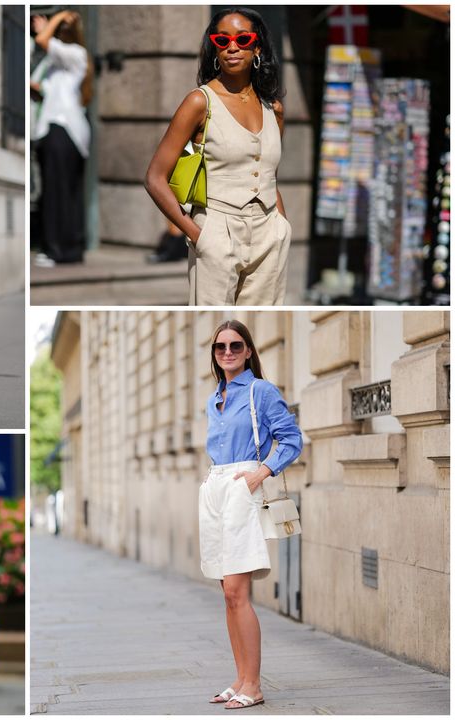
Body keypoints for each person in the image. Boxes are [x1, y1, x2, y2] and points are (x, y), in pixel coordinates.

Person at [145, 7, 291, 305]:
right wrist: (198, 236)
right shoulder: (200, 102)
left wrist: (281, 228)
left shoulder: (273, 108)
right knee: (214, 321)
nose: (232, 47)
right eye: (222, 41)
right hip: (216, 229)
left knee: (262, 321)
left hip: (269, 234)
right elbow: (155, 178)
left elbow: (268, 175)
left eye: (243, 39)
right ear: (215, 48)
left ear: (257, 47)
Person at [199, 319, 302, 710]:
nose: (227, 352)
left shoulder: (261, 390)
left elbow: (291, 439)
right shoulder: (215, 398)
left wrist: (260, 473)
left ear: (248, 351)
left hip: (244, 488)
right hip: (216, 490)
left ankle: (254, 685)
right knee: (227, 594)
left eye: (236, 346)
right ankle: (240, 677)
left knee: (237, 591)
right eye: (220, 347)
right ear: (214, 353)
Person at [30, 10, 92, 267]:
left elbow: (42, 41)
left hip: (63, 129)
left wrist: (56, 18)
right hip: (57, 130)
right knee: (61, 192)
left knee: (59, 192)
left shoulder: (75, 54)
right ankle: (68, 249)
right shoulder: (56, 65)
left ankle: (58, 250)